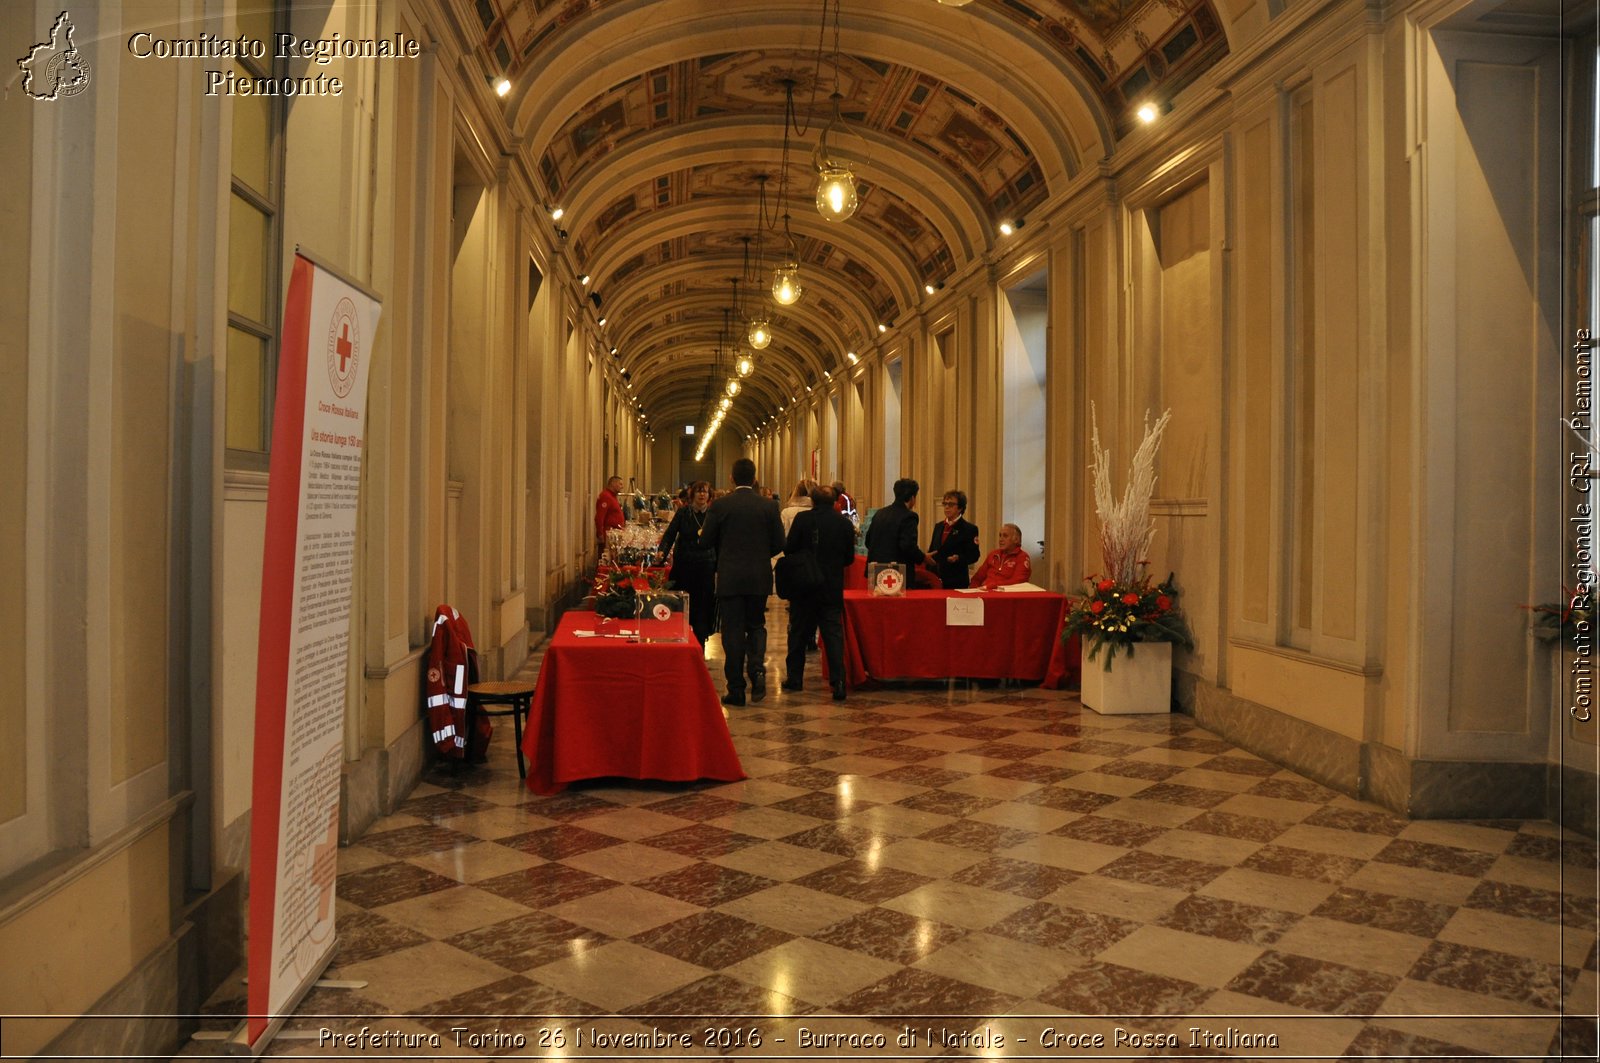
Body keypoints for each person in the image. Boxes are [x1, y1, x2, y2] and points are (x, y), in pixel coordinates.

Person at [702, 458, 785, 705]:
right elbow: (780, 543)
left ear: (731, 478)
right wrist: (759, 555)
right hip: (759, 575)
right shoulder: (769, 507)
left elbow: (705, 541)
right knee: (757, 625)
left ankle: (736, 688)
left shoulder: (721, 505)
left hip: (730, 576)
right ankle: (757, 668)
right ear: (755, 477)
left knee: (733, 631)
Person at [782, 485, 856, 700]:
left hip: (804, 586)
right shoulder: (843, 523)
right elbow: (849, 558)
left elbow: (789, 548)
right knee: (833, 635)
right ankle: (838, 681)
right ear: (835, 502)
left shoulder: (803, 520)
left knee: (798, 633)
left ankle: (795, 678)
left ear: (812, 501)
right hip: (831, 587)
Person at [657, 479, 717, 646]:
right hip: (684, 566)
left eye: (705, 491)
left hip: (706, 566)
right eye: (699, 491)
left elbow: (719, 540)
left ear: (709, 495)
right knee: (682, 605)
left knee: (703, 607)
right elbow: (670, 534)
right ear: (692, 495)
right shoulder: (683, 513)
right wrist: (662, 552)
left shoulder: (713, 514)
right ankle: (681, 639)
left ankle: (700, 643)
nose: (702, 494)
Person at [864, 477, 931, 584]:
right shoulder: (909, 516)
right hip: (897, 574)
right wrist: (923, 557)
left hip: (876, 572)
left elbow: (868, 541)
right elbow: (908, 546)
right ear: (912, 498)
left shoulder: (880, 513)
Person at [926, 489, 981, 589]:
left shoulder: (969, 529)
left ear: (960, 508)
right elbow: (933, 550)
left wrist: (958, 558)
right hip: (935, 579)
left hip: (956, 580)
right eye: (945, 504)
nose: (946, 507)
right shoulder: (938, 526)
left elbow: (974, 555)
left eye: (951, 504)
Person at [971, 523, 1033, 589]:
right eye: (1000, 536)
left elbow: (1018, 582)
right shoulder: (993, 554)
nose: (1001, 539)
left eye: (1005, 536)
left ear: (1016, 540)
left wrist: (990, 586)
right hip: (984, 593)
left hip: (1005, 595)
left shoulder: (1022, 557)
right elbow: (977, 578)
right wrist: (974, 591)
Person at [594, 474, 625, 552]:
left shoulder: (613, 497)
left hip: (614, 534)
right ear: (613, 484)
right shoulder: (606, 496)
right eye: (620, 484)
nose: (622, 487)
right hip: (608, 534)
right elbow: (600, 516)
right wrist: (600, 533)